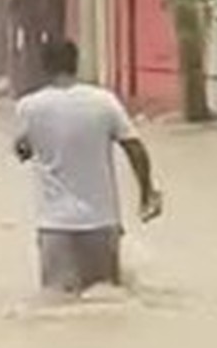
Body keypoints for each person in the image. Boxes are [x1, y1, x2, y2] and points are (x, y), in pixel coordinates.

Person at [14, 37, 163, 295]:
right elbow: (135, 148)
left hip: (55, 226)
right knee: (106, 301)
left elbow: (22, 150)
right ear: (77, 64)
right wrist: (147, 192)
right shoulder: (104, 101)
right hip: (101, 223)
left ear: (44, 66)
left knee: (56, 304)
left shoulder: (29, 107)